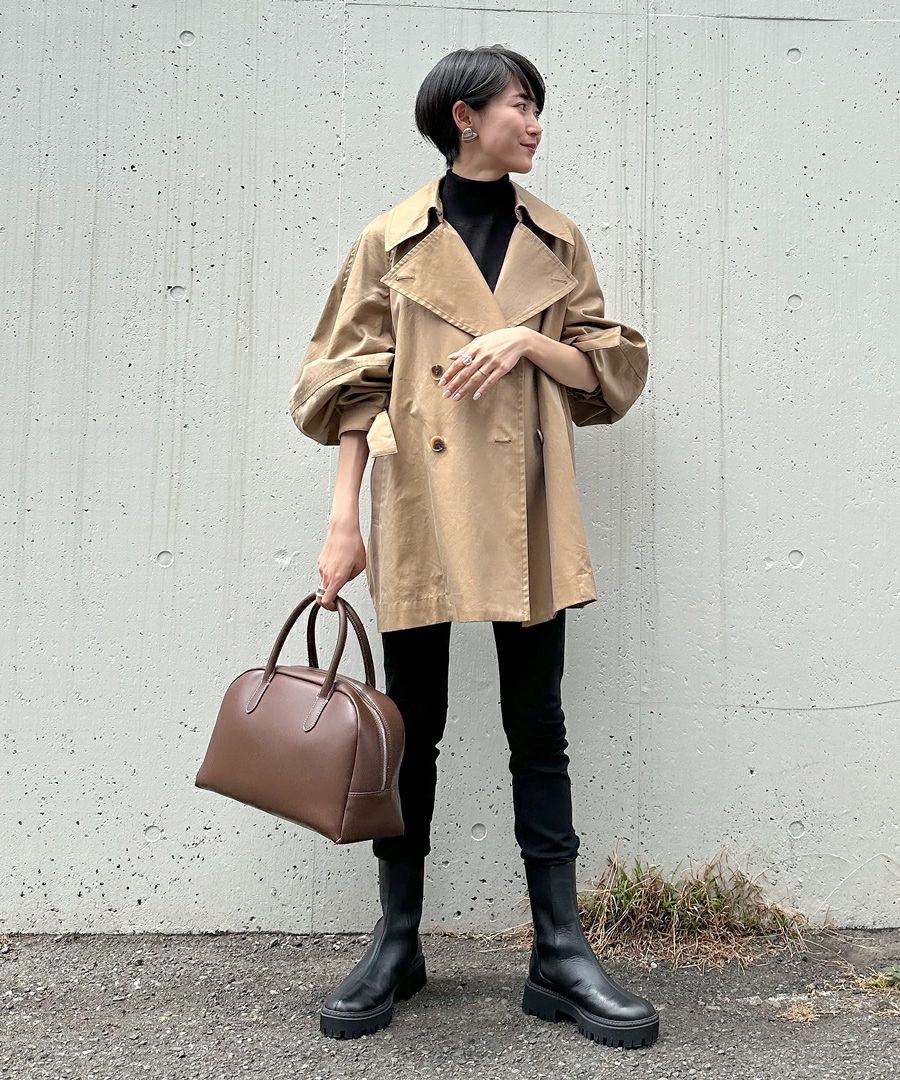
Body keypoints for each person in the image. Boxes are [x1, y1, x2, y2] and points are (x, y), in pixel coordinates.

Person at [288, 46, 658, 1049]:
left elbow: (609, 369)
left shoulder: (556, 235)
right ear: (466, 116)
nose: (535, 124)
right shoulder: (391, 239)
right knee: (413, 729)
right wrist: (342, 522)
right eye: (521, 105)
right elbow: (350, 385)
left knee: (538, 724)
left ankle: (560, 952)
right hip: (419, 501)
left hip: (529, 503)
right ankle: (398, 939)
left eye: (537, 107)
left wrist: (528, 343)